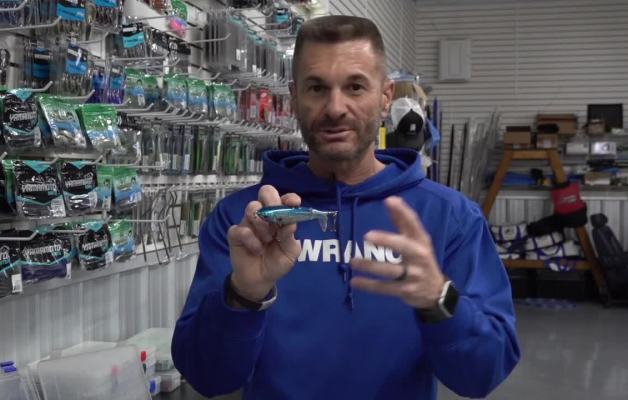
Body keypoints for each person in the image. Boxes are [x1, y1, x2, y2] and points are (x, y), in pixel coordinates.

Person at [172, 15, 520, 399]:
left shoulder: (450, 218)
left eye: (355, 86)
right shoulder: (246, 220)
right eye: (317, 88)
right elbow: (207, 377)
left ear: (385, 97)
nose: (335, 107)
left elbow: (483, 374)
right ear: (294, 98)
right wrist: (243, 295)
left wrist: (440, 300)